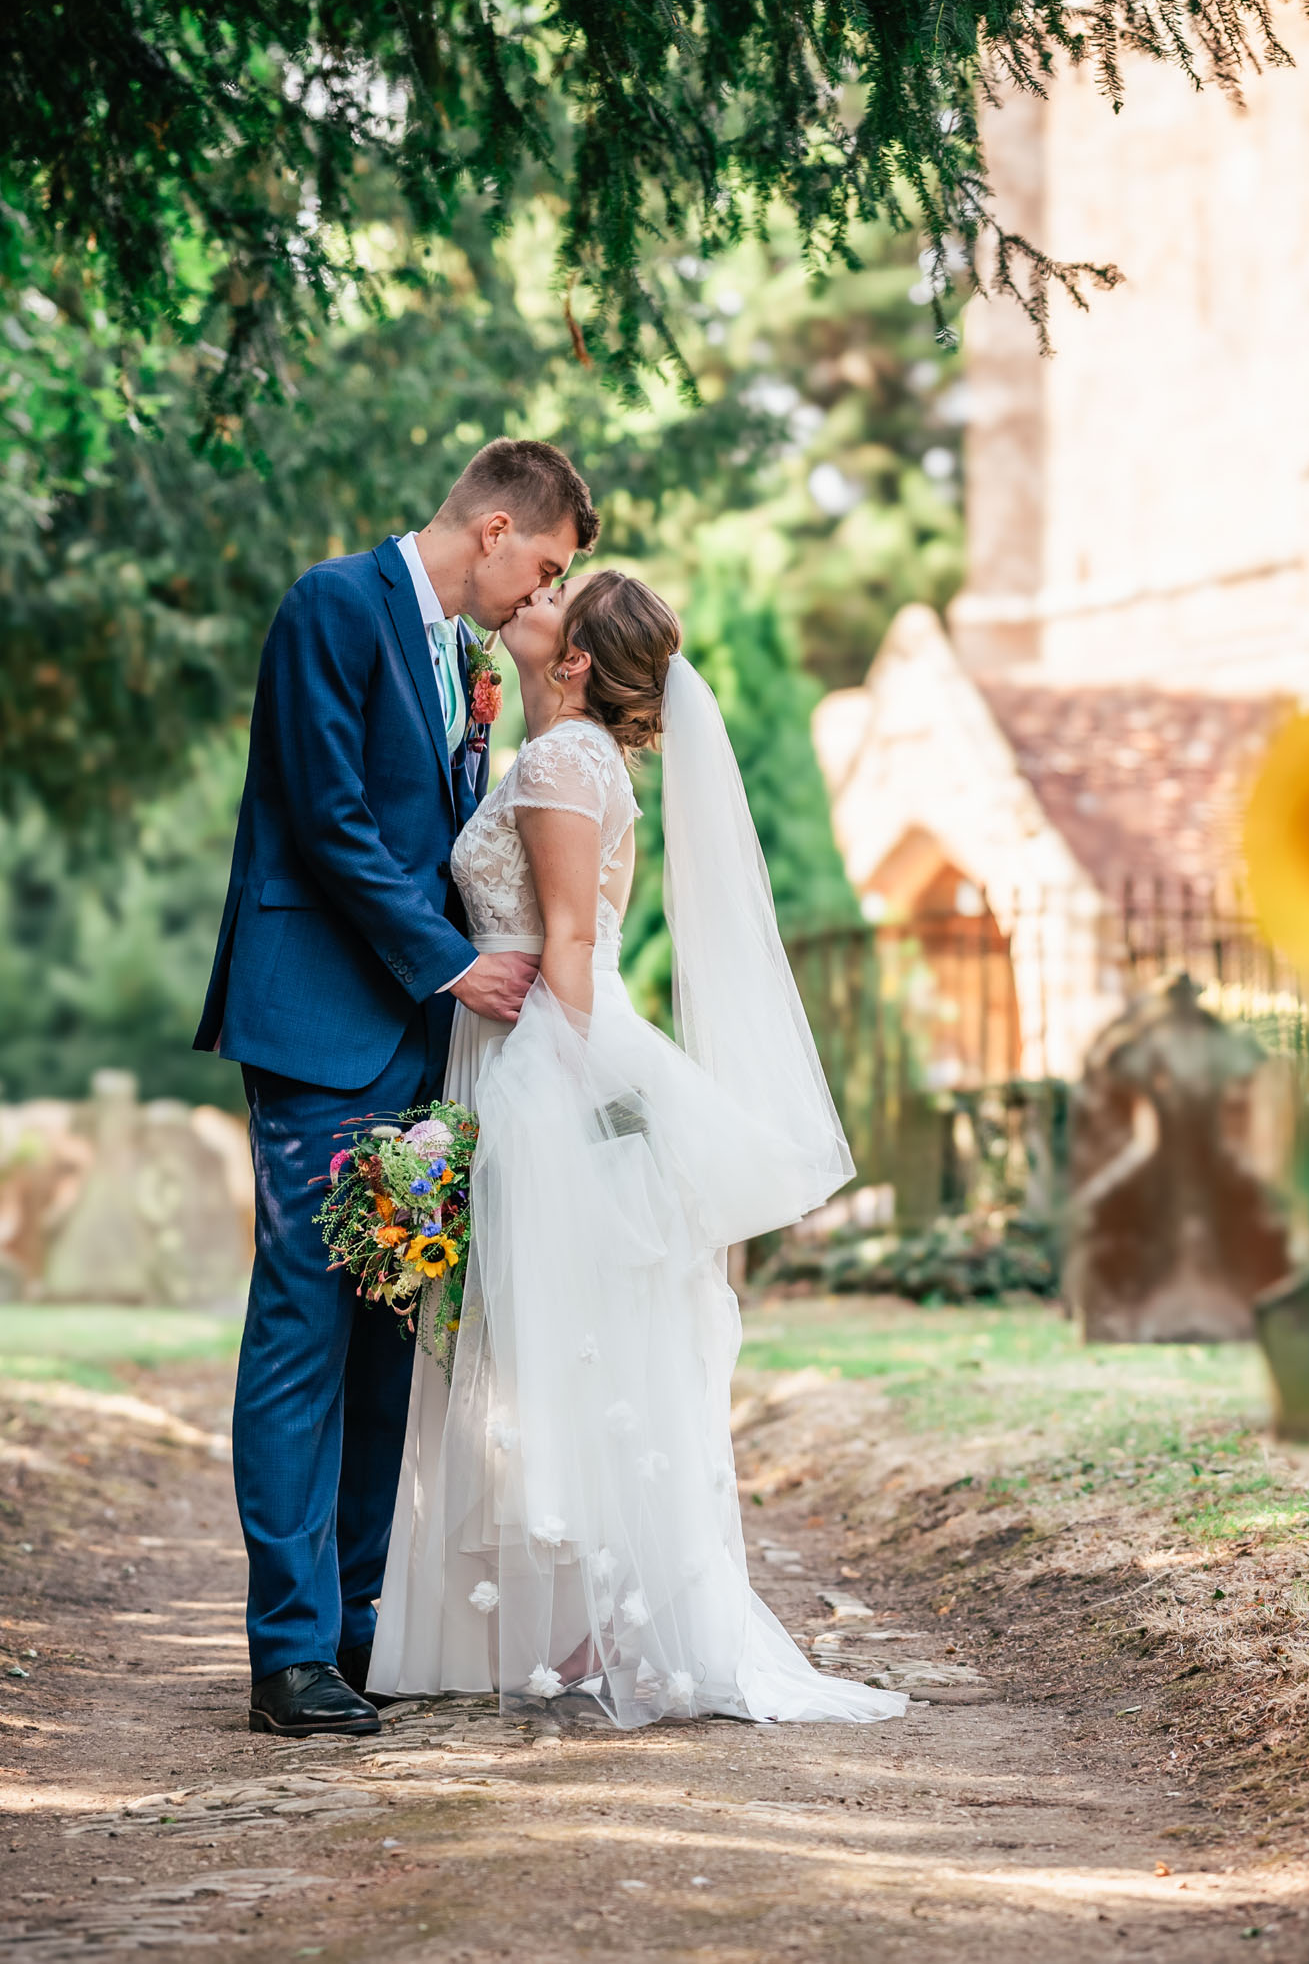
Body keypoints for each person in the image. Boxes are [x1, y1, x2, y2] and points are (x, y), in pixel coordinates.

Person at [366, 569, 908, 1728]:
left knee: (558, 1346)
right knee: (571, 1347)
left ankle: (595, 1618)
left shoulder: (567, 761)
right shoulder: (562, 751)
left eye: (559, 594)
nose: (535, 592)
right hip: (536, 1044)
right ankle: (586, 1616)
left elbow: (567, 943)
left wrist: (539, 1095)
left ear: (575, 662)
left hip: (547, 1056)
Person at [195, 440, 593, 1737]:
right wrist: (451, 964)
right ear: (490, 526)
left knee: (384, 1350)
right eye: (540, 565)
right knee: (304, 1330)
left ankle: (358, 1629)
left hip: (417, 1047)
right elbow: (325, 817)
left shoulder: (461, 658)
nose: (540, 595)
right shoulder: (332, 604)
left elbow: (438, 830)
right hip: (320, 1026)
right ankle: (288, 1649)